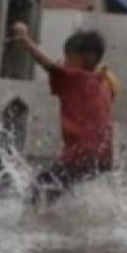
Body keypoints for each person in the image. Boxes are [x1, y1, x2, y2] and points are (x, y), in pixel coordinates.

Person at [10, 22, 119, 207]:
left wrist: (24, 40)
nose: (65, 62)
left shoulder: (77, 78)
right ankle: (64, 227)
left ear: (89, 57)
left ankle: (35, 229)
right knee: (59, 189)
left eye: (69, 57)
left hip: (80, 155)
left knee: (37, 191)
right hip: (103, 158)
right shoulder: (104, 81)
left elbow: (49, 66)